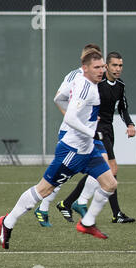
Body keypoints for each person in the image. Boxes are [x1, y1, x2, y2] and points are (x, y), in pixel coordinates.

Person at [0, 49, 116, 249]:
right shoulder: (86, 88)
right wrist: (90, 131)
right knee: (44, 189)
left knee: (110, 183)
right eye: (96, 67)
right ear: (85, 68)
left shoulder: (83, 81)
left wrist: (89, 129)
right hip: (72, 151)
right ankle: (7, 222)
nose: (101, 71)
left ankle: (87, 223)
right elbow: (70, 118)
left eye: (102, 66)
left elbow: (59, 99)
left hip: (88, 150)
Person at [56, 51, 136, 224]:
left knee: (102, 171)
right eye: (114, 65)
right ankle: (114, 213)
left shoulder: (120, 85)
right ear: (107, 66)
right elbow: (78, 104)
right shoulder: (97, 85)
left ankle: (67, 202)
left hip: (109, 129)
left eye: (120, 65)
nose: (118, 69)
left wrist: (130, 124)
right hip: (96, 130)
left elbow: (122, 108)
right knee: (111, 169)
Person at [33, 44, 103, 227]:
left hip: (86, 133)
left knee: (105, 168)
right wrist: (70, 117)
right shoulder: (75, 75)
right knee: (63, 174)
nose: (100, 67)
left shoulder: (95, 77)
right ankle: (47, 206)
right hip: (75, 132)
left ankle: (76, 202)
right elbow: (58, 97)